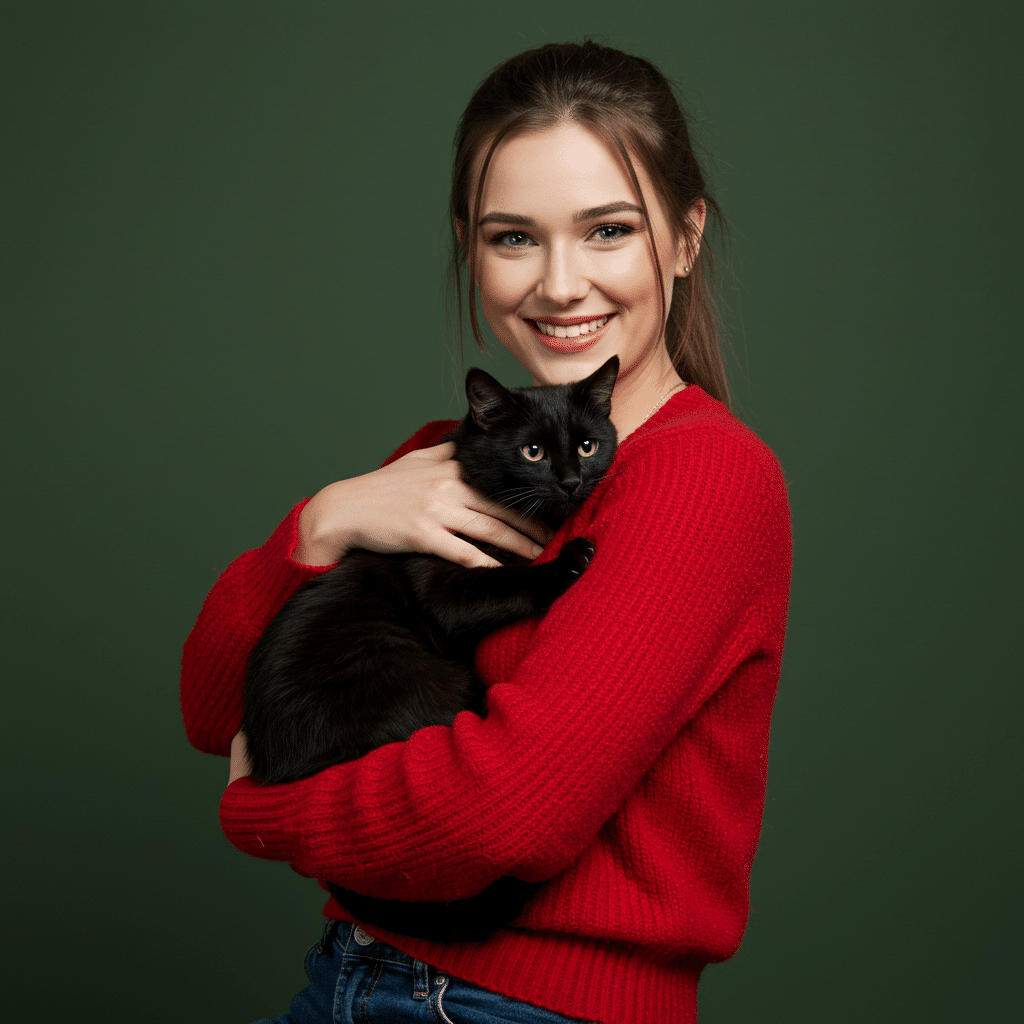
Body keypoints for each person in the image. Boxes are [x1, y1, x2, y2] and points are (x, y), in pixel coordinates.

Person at [181, 40, 792, 1024]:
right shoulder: (439, 458)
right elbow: (215, 707)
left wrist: (263, 814)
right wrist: (320, 520)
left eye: (606, 231)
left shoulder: (702, 477)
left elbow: (505, 815)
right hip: (349, 976)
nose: (559, 284)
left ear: (682, 238)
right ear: (469, 245)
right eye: (514, 238)